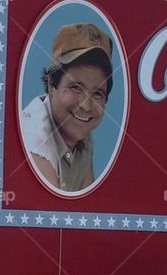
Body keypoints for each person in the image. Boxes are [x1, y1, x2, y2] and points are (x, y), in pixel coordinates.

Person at [20, 22, 114, 192]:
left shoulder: (79, 134)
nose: (86, 105)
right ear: (51, 84)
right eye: (76, 88)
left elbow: (88, 206)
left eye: (98, 93)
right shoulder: (34, 141)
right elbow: (51, 214)